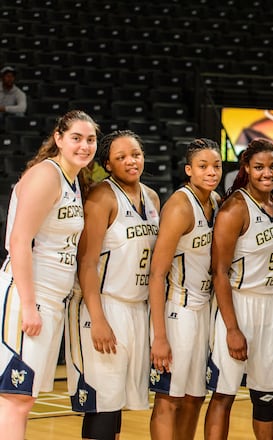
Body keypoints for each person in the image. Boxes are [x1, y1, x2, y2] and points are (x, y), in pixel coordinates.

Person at [0, 110, 98, 440]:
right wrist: (29, 305)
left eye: (90, 139)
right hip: (27, 295)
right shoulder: (46, 175)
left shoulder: (73, 180)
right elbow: (18, 240)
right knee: (15, 398)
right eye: (76, 138)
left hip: (51, 298)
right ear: (58, 138)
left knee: (23, 397)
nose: (84, 146)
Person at [69, 130, 160, 440]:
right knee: (102, 403)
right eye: (121, 157)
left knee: (117, 400)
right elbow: (86, 263)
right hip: (104, 304)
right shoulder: (102, 197)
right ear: (107, 165)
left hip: (137, 307)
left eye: (135, 154)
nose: (131, 161)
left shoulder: (152, 197)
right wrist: (98, 319)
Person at [204, 139, 273, 440]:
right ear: (246, 169)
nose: (267, 173)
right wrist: (232, 329)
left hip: (272, 305)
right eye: (259, 167)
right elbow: (219, 272)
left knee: (265, 396)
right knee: (224, 393)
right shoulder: (235, 208)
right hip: (240, 304)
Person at [148, 138, 223, 440]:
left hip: (203, 307)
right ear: (189, 170)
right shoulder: (180, 206)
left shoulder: (215, 200)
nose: (211, 172)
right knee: (169, 398)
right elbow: (156, 274)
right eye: (203, 166)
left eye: (216, 166)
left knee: (195, 396)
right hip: (178, 309)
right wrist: (160, 336)